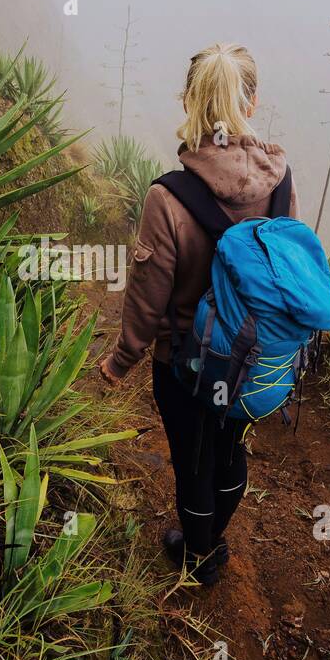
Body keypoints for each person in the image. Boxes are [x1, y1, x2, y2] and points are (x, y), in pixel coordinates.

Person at [99, 43, 299, 585]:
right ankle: (214, 540)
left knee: (192, 460)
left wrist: (122, 359)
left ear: (188, 101)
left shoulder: (168, 197)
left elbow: (148, 294)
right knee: (230, 445)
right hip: (253, 360)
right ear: (250, 103)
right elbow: (288, 263)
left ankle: (198, 558)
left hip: (187, 363)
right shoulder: (279, 179)